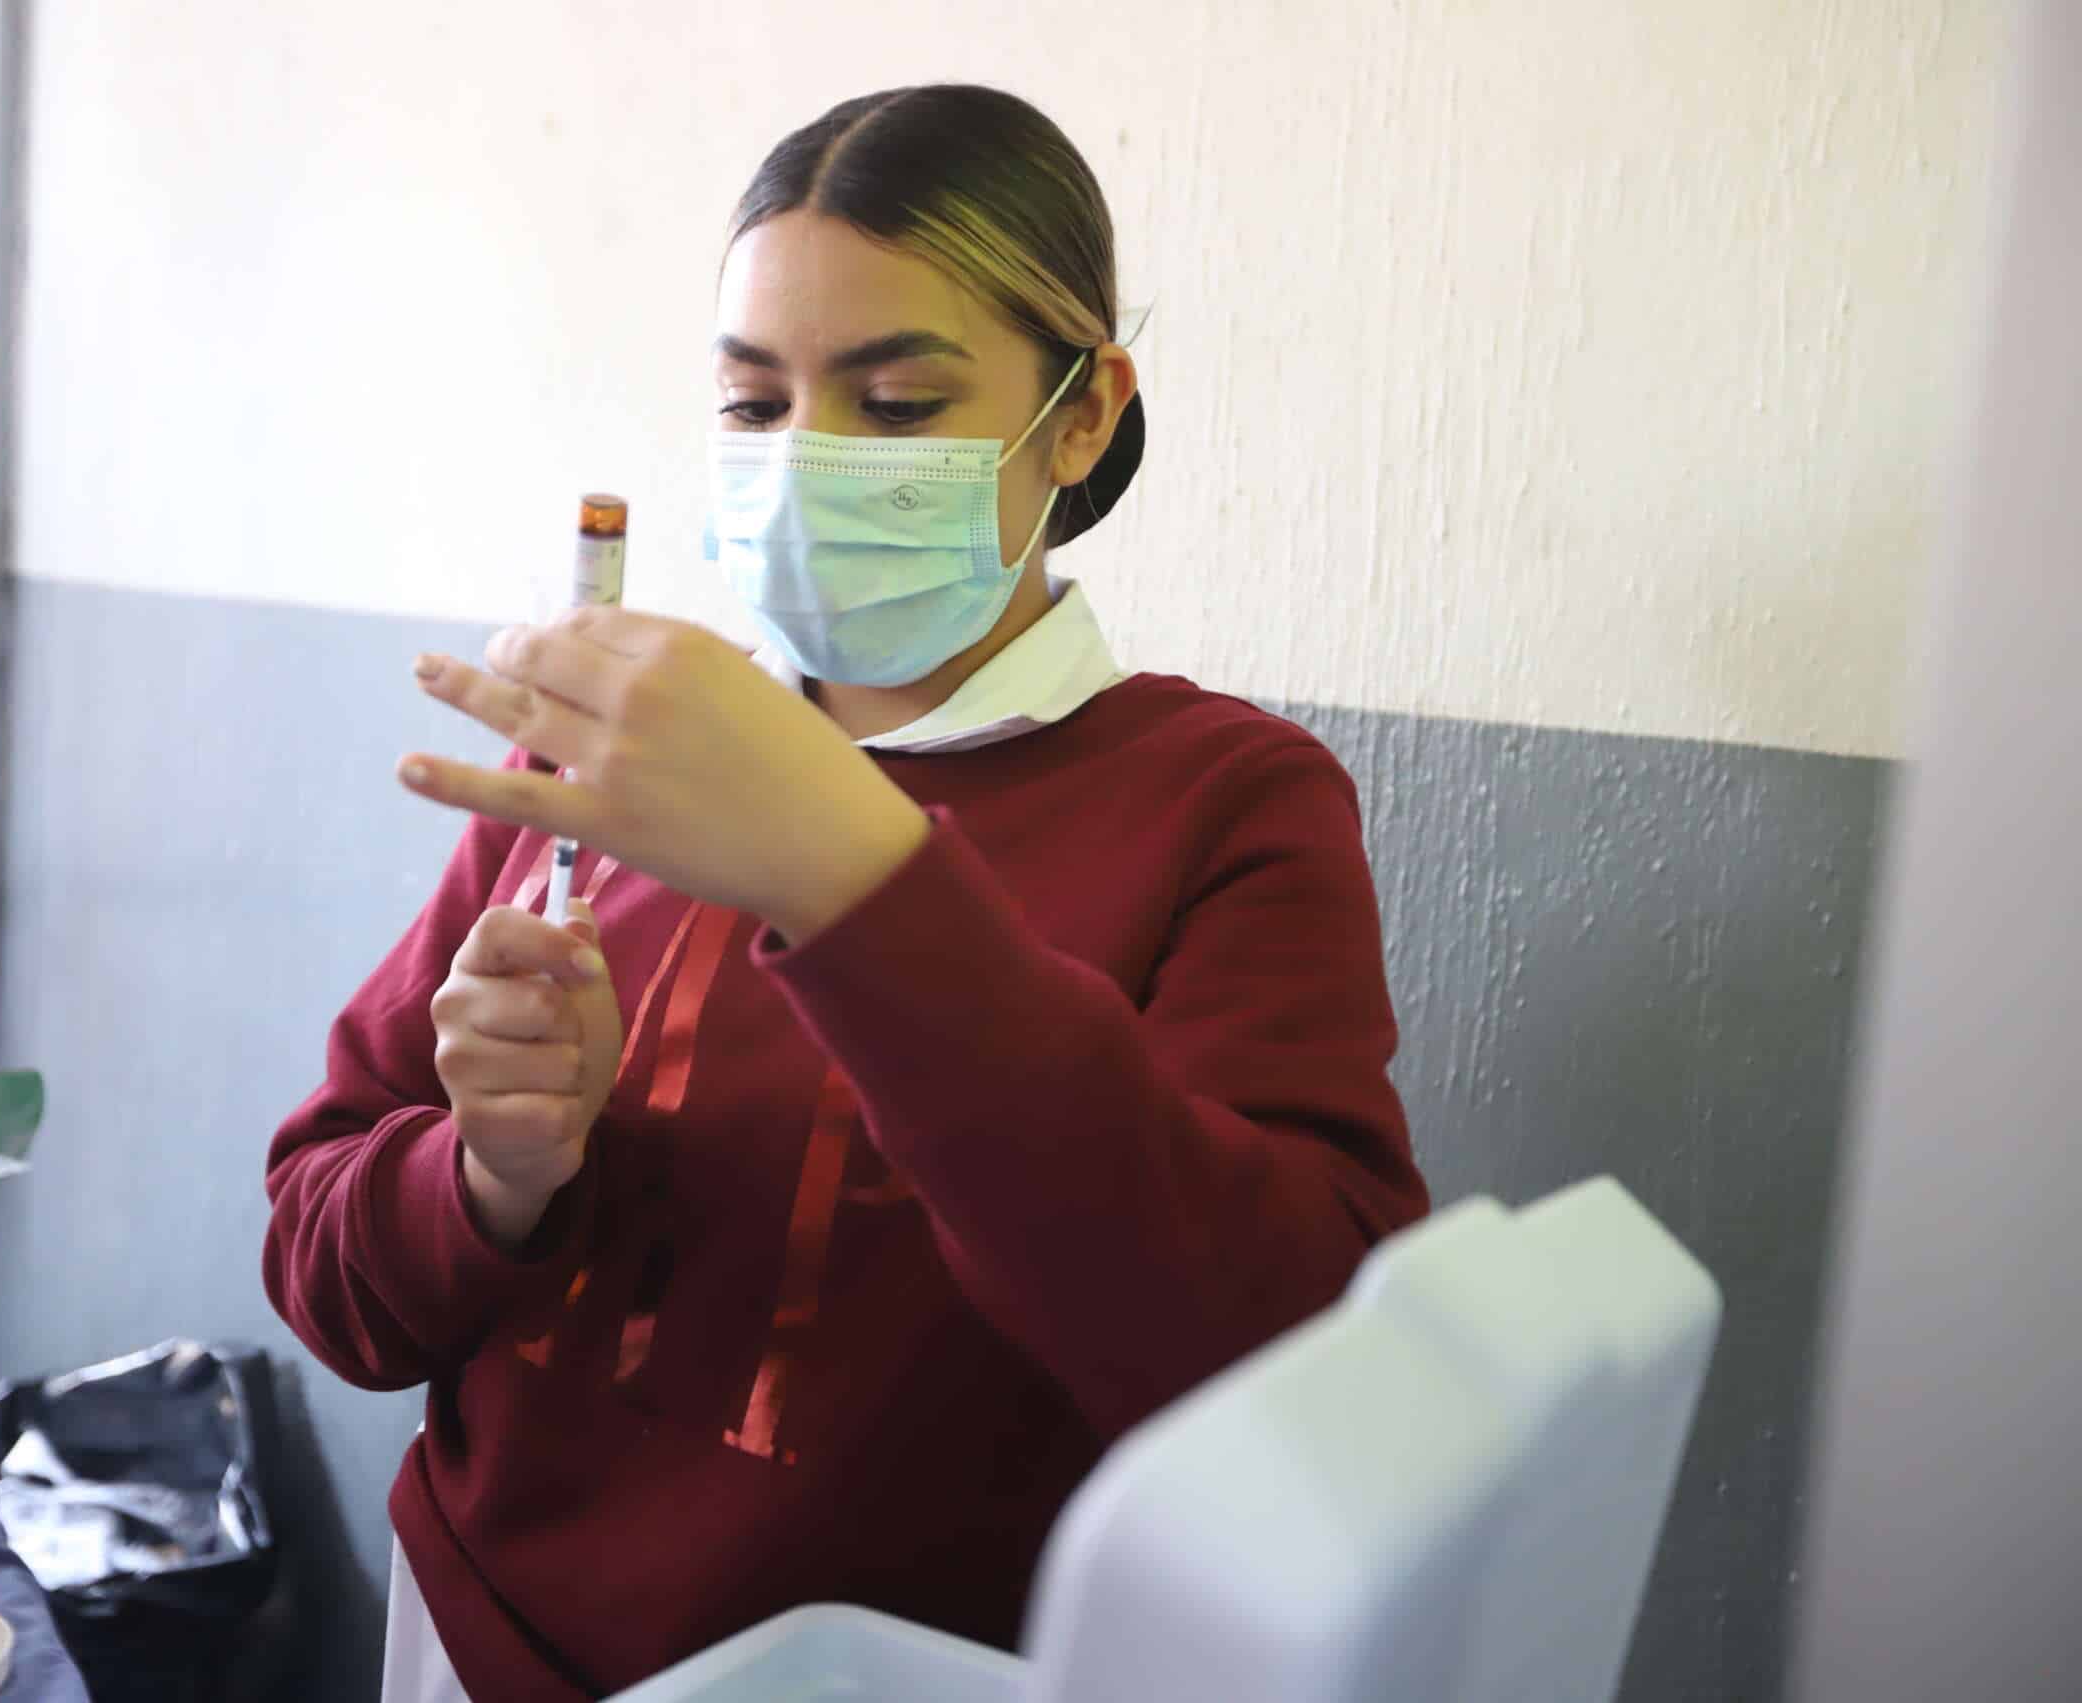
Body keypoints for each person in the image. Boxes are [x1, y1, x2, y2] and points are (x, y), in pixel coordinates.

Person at [264, 83, 1428, 1703]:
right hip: (476, 1637)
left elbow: (1286, 1384)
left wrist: (856, 878)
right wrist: (488, 1178)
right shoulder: (604, 765)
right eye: (754, 405)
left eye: (894, 405)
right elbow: (325, 1268)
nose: (806, 464)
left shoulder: (1224, 803)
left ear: (1081, 416)